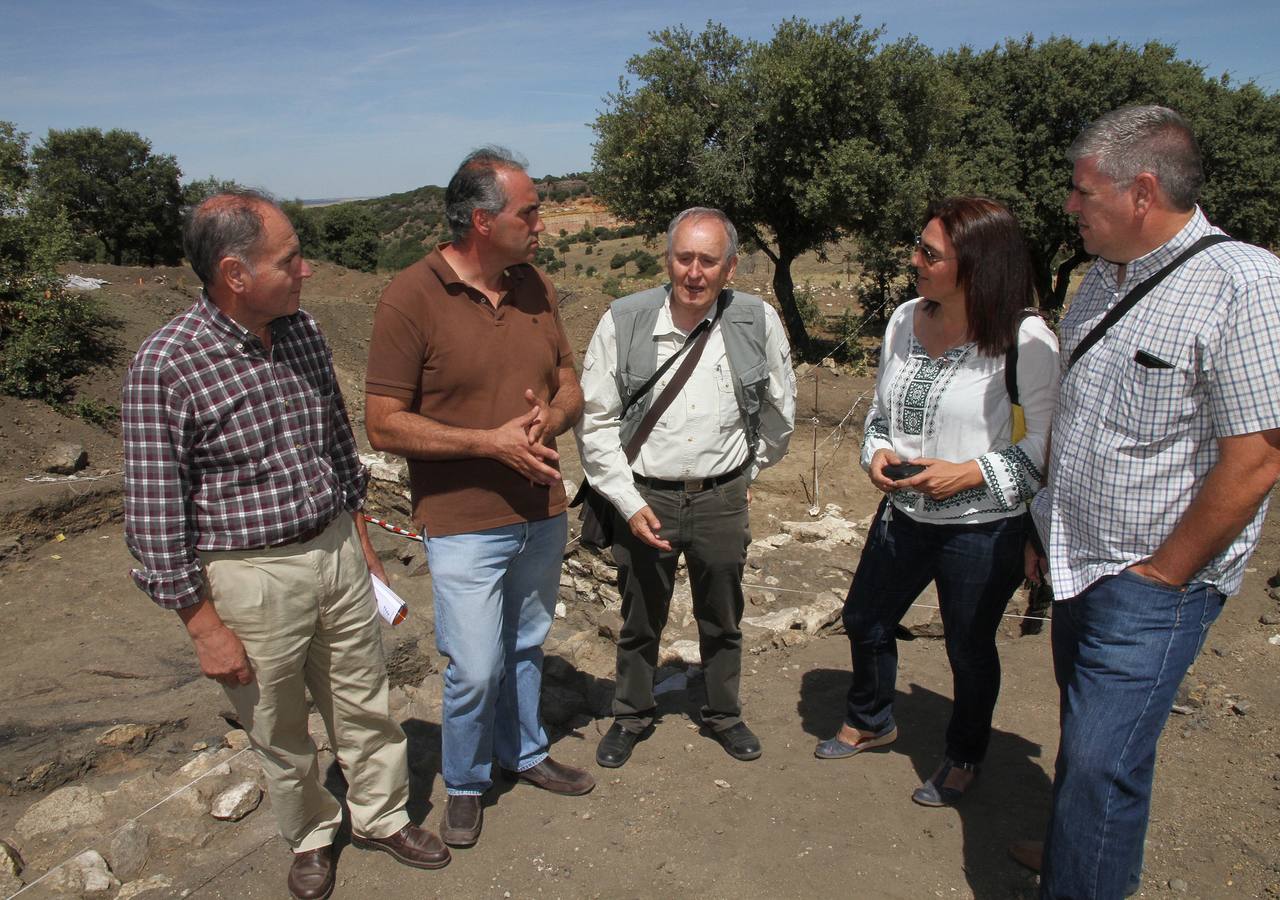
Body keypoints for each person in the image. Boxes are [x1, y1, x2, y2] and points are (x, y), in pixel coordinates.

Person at [1025, 106, 1280, 899]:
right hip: (1075, 557)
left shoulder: (1246, 284)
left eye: (1081, 191)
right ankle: (1079, 846)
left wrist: (1164, 575)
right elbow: (1078, 416)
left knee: (1098, 757)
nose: (1068, 206)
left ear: (1141, 192)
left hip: (1150, 580)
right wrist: (1042, 528)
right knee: (1093, 743)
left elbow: (1258, 457)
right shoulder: (1098, 281)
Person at [123, 191, 449, 900]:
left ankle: (382, 816)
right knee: (278, 724)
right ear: (235, 274)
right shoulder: (166, 364)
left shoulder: (300, 332)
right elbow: (153, 515)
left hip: (334, 548)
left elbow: (336, 443)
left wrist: (358, 541)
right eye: (290, 258)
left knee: (364, 698)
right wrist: (202, 625)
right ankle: (308, 836)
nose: (306, 269)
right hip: (249, 575)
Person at [364, 147, 592, 850]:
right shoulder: (411, 295)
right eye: (529, 211)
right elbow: (382, 421)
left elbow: (569, 384)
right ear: (481, 220)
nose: (542, 224)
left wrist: (547, 421)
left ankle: (522, 752)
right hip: (462, 521)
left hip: (540, 510)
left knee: (526, 644)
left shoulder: (533, 284)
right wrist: (487, 443)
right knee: (475, 663)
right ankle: (464, 782)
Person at [814, 197, 1060, 810]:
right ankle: (873, 718)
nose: (914, 260)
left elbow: (1045, 445)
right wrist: (874, 453)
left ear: (976, 265)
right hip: (903, 514)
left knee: (968, 648)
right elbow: (880, 412)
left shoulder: (1024, 340)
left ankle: (965, 752)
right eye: (917, 246)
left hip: (983, 528)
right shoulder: (902, 320)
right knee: (866, 619)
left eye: (930, 253)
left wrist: (970, 473)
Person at [575, 206, 796, 767]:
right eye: (684, 257)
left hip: (723, 496)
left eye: (708, 260)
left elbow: (780, 411)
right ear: (667, 257)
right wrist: (625, 500)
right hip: (644, 496)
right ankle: (631, 714)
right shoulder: (622, 320)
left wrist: (746, 473)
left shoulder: (757, 321)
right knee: (639, 615)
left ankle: (724, 714)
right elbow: (594, 420)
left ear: (731, 267)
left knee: (722, 616)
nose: (694, 272)